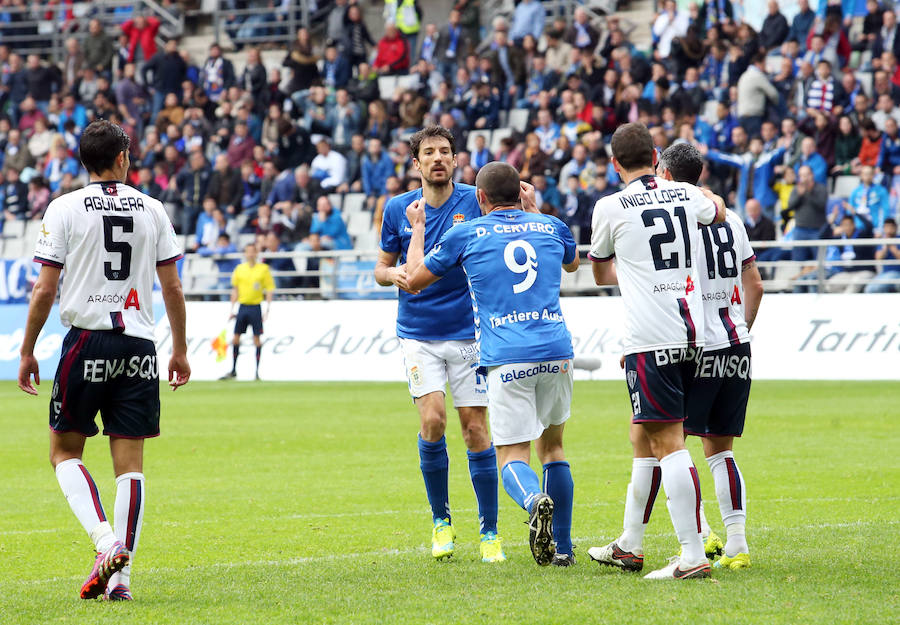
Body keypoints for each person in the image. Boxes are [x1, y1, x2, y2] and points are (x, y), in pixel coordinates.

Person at [17, 120, 189, 601]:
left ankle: (105, 542)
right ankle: (122, 582)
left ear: (83, 162)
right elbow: (172, 286)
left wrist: (28, 349)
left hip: (86, 341)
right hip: (138, 346)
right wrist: (179, 347)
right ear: (122, 159)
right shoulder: (153, 209)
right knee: (129, 466)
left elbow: (45, 288)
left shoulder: (64, 207)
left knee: (64, 451)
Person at [592, 143, 763, 573]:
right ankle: (732, 543)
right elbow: (754, 284)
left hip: (692, 341)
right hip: (736, 339)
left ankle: (693, 540)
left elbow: (680, 283)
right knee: (716, 450)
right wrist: (741, 329)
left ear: (663, 171)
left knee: (663, 440)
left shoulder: (685, 220)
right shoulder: (732, 219)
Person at [403, 162, 579, 566]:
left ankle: (534, 500)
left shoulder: (467, 233)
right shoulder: (551, 226)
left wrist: (416, 228)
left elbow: (413, 280)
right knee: (553, 448)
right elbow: (571, 264)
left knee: (512, 456)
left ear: (480, 198)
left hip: (507, 358)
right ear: (521, 193)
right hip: (556, 350)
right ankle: (564, 551)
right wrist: (533, 211)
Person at [374, 126, 502, 563]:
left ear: (455, 160)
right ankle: (442, 523)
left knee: (475, 429)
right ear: (416, 164)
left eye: (445, 152)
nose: (438, 159)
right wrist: (391, 275)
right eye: (429, 153)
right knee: (433, 419)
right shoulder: (397, 209)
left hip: (469, 332)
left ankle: (490, 532)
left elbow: (509, 212)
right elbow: (381, 268)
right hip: (418, 333)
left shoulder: (475, 200)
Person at [222, 243, 274, 381]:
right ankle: (233, 370)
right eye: (248, 251)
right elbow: (235, 290)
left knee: (257, 339)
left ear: (256, 253)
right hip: (242, 306)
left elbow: (269, 289)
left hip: (255, 307)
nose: (250, 254)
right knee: (236, 338)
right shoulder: (239, 269)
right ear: (245, 253)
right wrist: (232, 309)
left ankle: (257, 372)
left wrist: (267, 308)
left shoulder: (263, 269)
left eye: (253, 251)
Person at [865, 218, 900, 292]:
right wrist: (885, 246)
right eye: (886, 227)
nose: (889, 229)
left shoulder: (898, 239)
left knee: (874, 289)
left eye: (891, 227)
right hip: (884, 273)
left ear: (896, 227)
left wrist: (891, 245)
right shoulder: (883, 241)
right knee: (868, 289)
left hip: (897, 273)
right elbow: (878, 258)